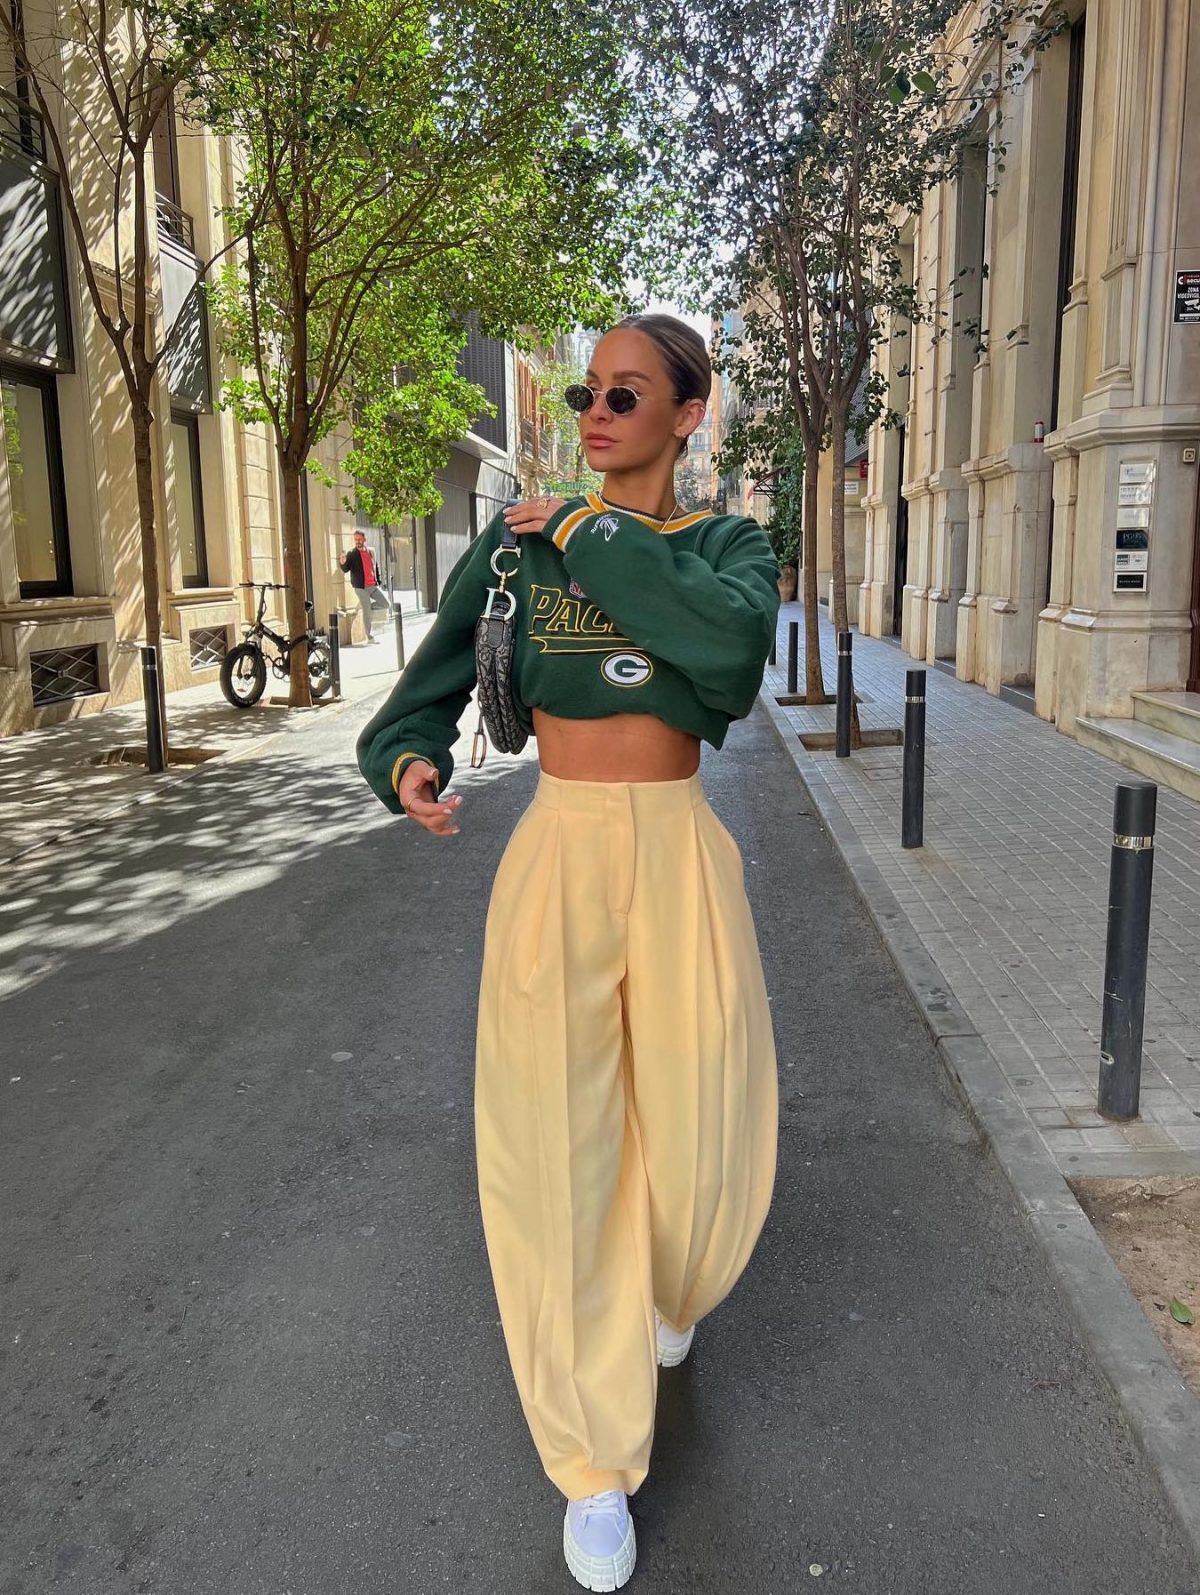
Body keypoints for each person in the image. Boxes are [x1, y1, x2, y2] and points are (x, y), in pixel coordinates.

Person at [356, 314, 780, 1590]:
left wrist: (588, 530)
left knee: (703, 1147)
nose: (596, 413)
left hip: (681, 854)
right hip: (555, 858)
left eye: (627, 394)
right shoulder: (513, 548)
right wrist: (406, 761)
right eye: (589, 392)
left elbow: (725, 658)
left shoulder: (726, 544)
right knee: (560, 1151)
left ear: (688, 413)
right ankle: (591, 1457)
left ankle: (669, 1284)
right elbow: (420, 692)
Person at [339, 529, 392, 642]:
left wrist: (378, 580)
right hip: (360, 587)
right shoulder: (352, 554)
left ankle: (364, 607)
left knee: (386, 603)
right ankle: (370, 636)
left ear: (364, 539)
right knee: (367, 610)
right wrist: (342, 562)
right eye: (355, 539)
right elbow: (345, 569)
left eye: (359, 539)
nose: (357, 541)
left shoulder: (371, 551)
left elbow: (375, 566)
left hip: (372, 585)